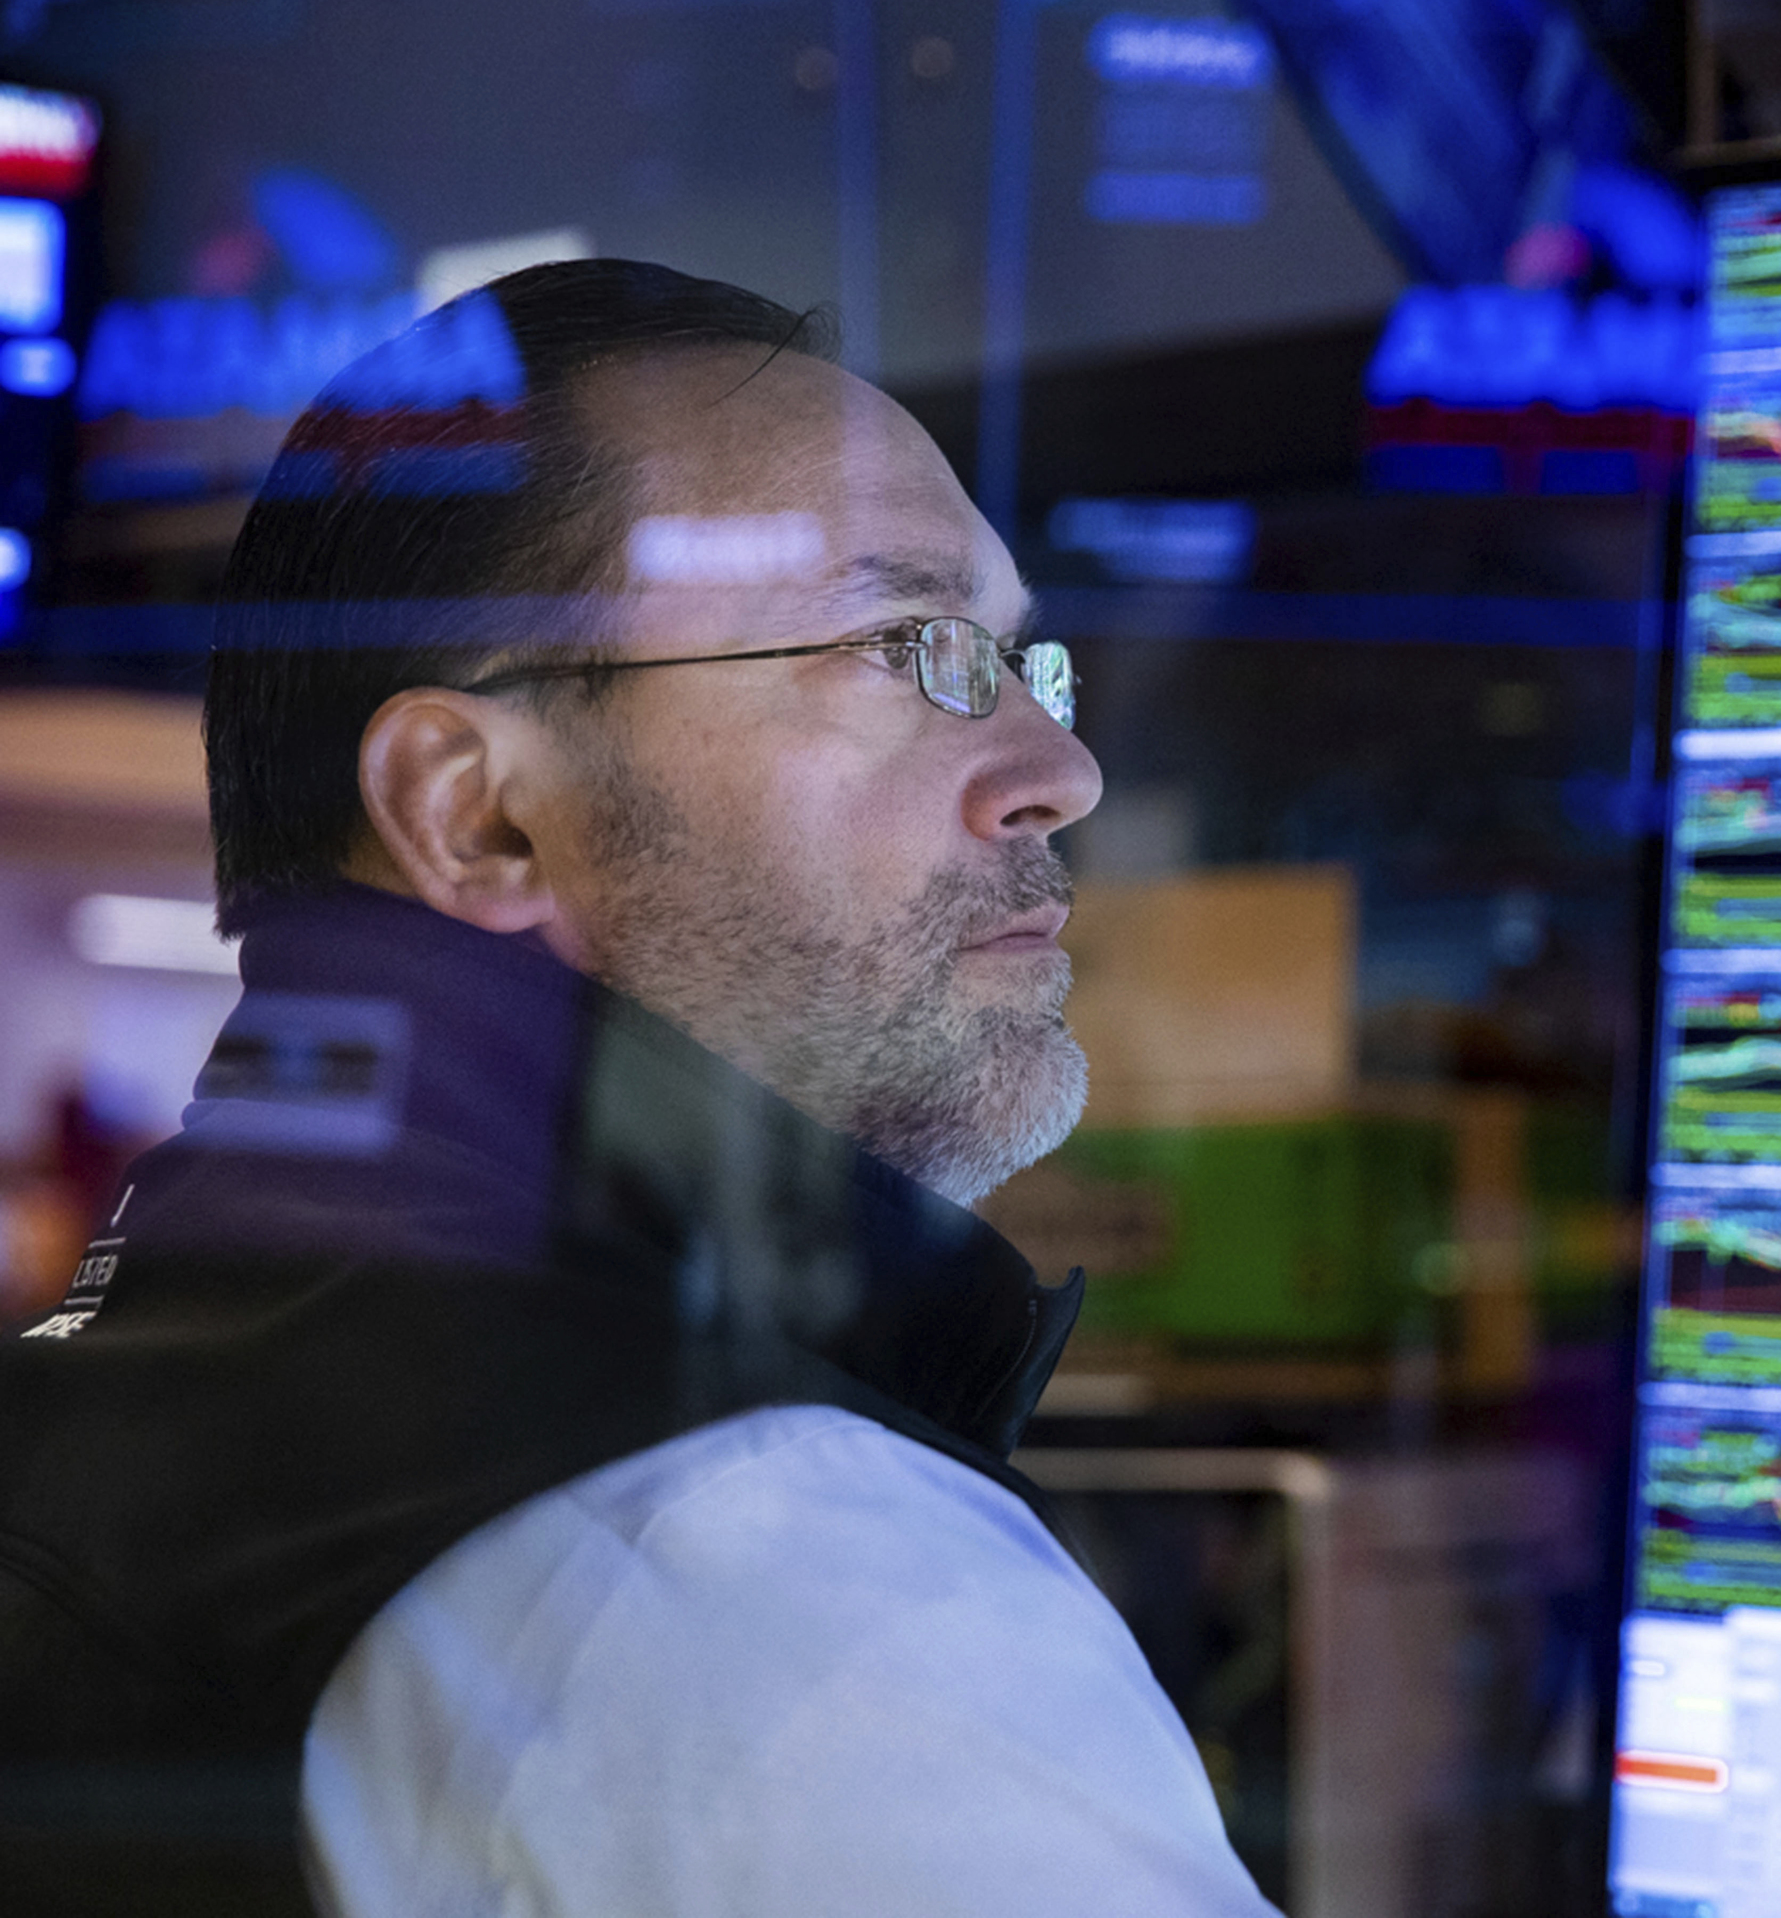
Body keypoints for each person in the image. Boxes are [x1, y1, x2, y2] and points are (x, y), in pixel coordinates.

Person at [0, 260, 1281, 1918]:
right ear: (479, 817)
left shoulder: (132, 1388)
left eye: (1024, 666)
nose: (1062, 774)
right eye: (908, 646)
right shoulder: (772, 1571)